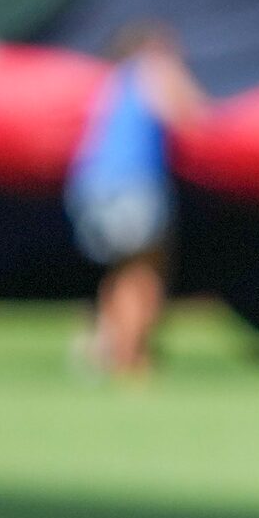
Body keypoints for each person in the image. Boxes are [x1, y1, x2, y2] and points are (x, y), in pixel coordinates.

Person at [65, 24, 207, 380]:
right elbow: (193, 116)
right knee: (142, 273)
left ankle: (106, 347)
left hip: (90, 183)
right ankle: (131, 361)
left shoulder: (111, 79)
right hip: (132, 184)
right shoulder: (154, 69)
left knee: (122, 269)